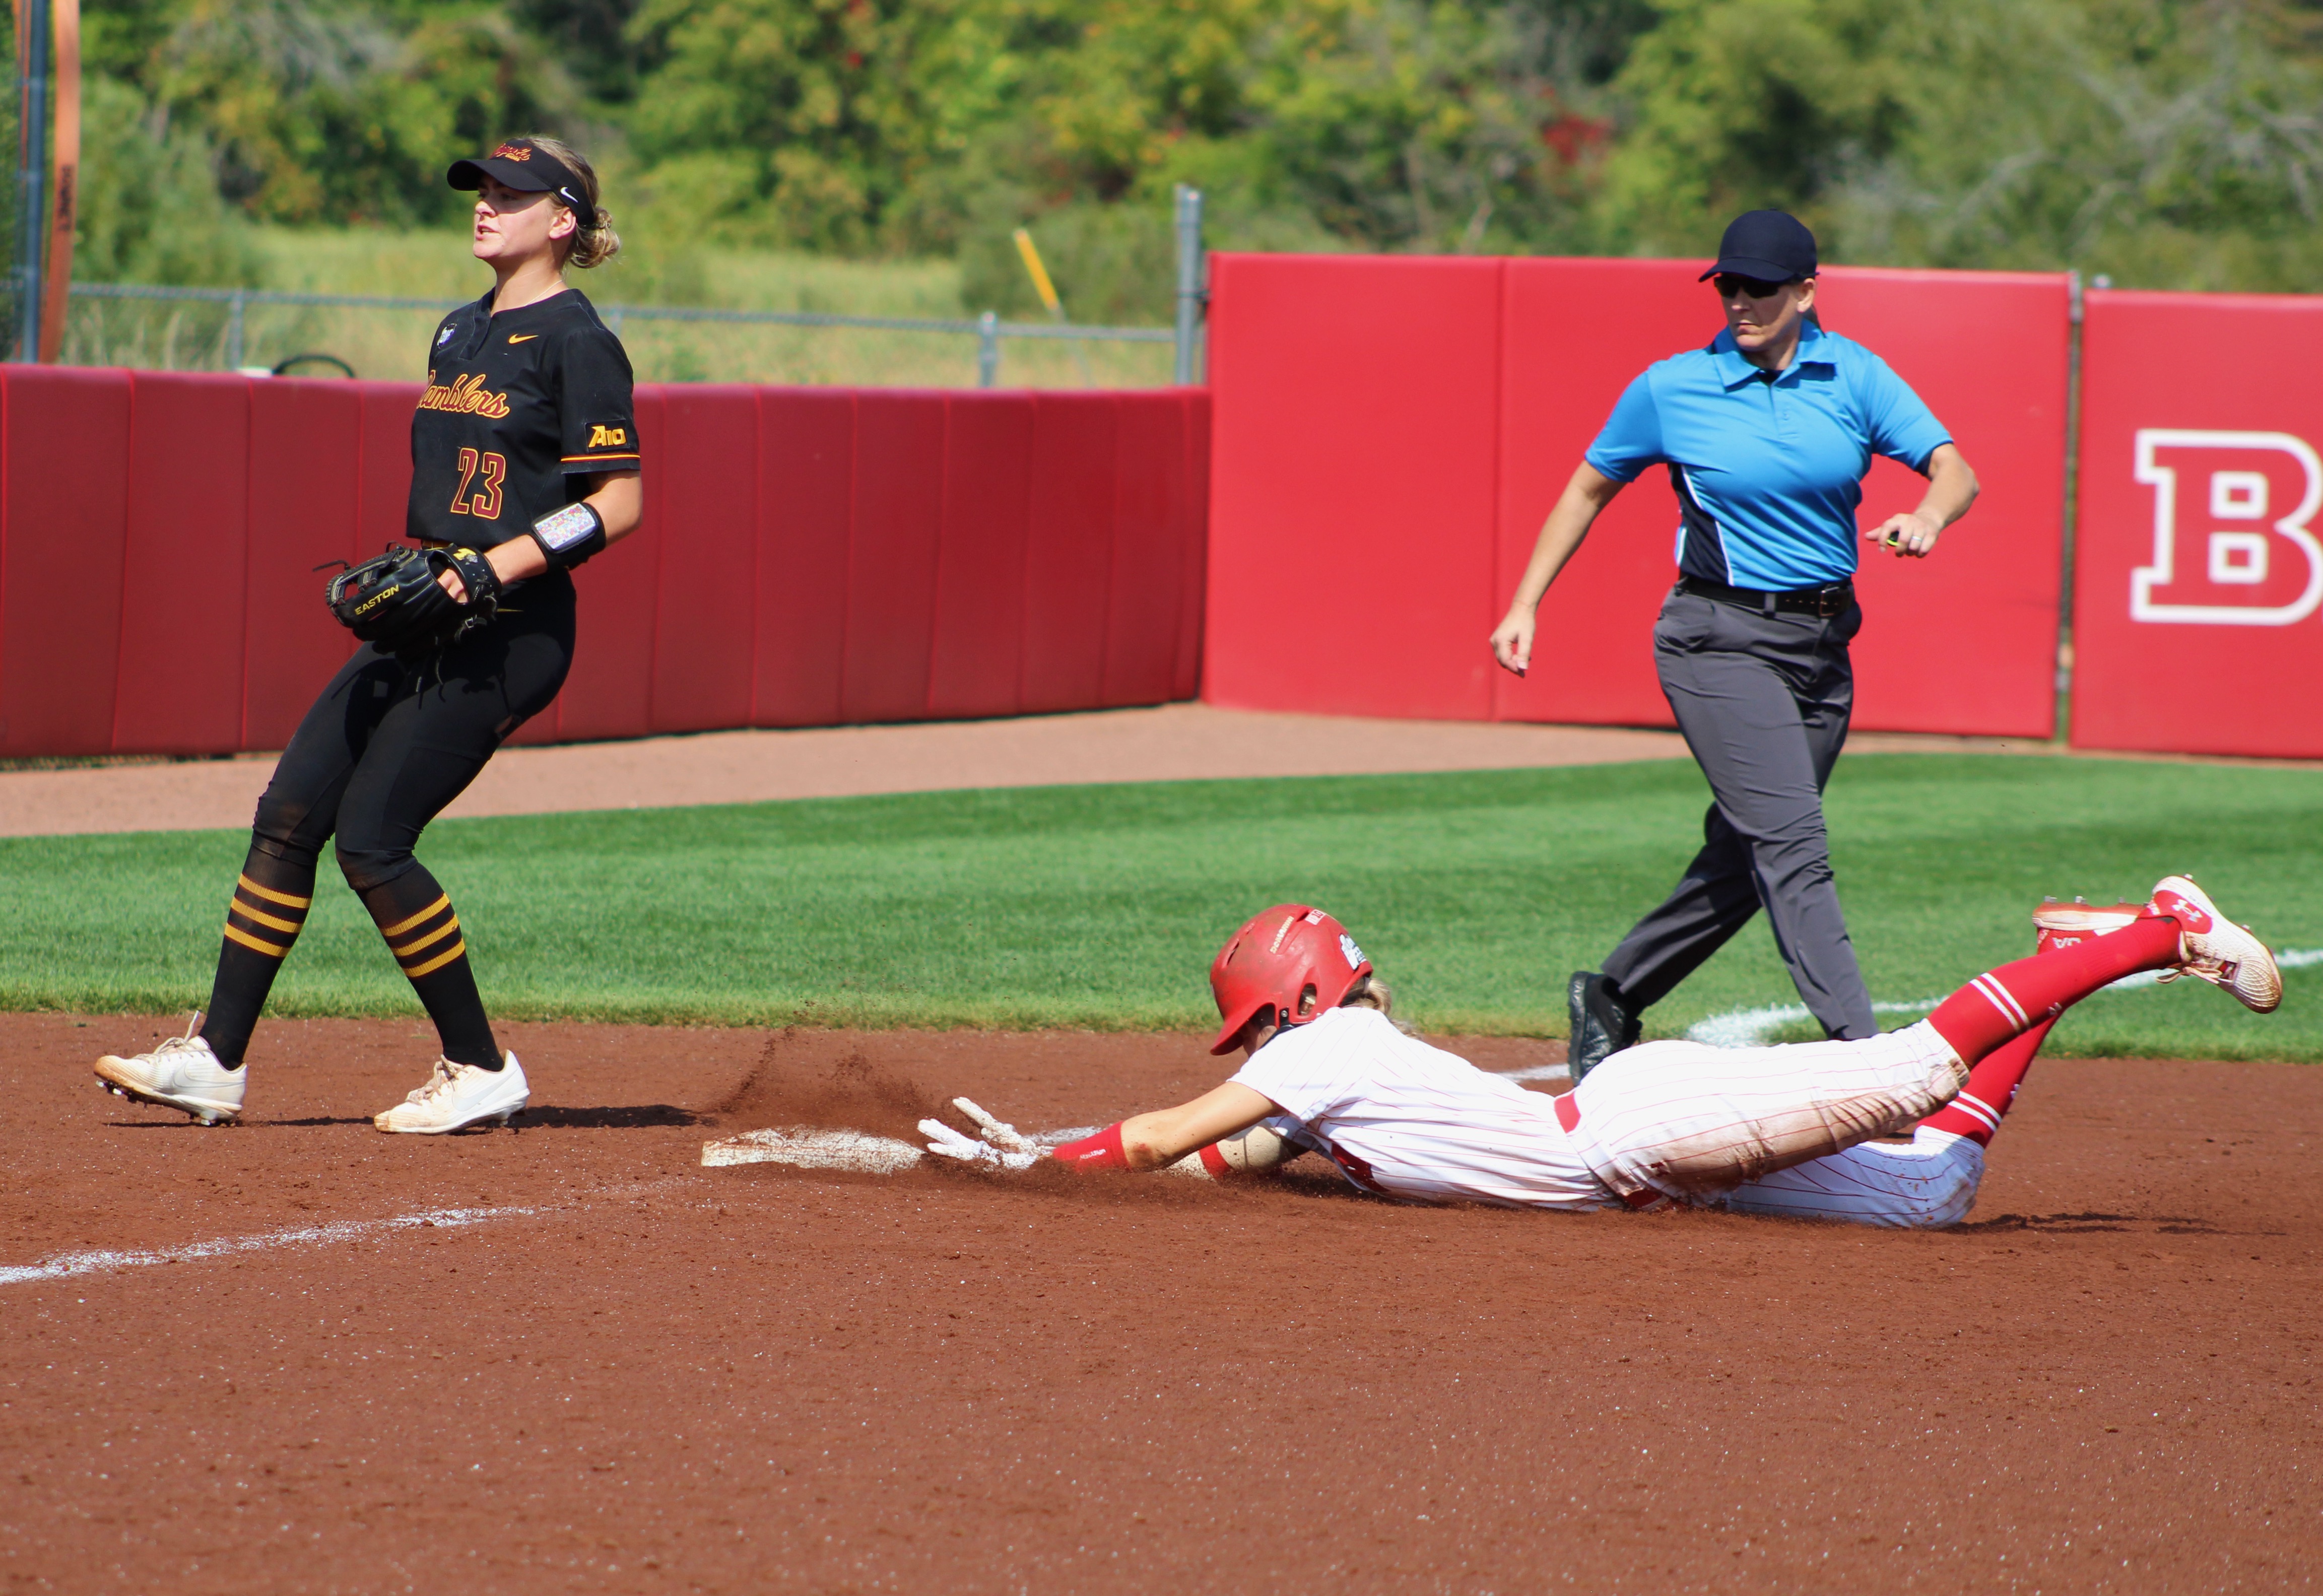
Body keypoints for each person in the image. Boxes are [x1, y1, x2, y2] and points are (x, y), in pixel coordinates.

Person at [94, 138, 644, 1134]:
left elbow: (617, 502)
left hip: (508, 630)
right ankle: (213, 1060)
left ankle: (480, 1066)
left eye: (511, 194)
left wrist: (492, 565)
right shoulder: (457, 331)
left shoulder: (576, 341)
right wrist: (437, 567)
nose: (486, 205)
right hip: (426, 612)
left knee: (375, 840)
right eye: (481, 189)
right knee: (288, 815)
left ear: (561, 221)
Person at [920, 881, 2281, 1228]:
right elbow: (1224, 1159)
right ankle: (2067, 946)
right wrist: (1161, 1170)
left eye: (1261, 1019)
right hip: (1649, 1155)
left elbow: (1164, 1137)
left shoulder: (1325, 1045)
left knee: (1915, 1071)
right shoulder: (1323, 1082)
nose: (1259, 1044)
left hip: (1640, 1129)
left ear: (1298, 997)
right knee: (1925, 1192)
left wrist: (1031, 1161)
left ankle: (2154, 936)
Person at [1487, 209, 1981, 1080]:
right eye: (1727, 286)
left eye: (1759, 287)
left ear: (1806, 292)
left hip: (1824, 648)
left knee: (1747, 852)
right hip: (1716, 638)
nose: (1740, 302)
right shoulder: (1674, 387)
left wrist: (1929, 516)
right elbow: (1586, 489)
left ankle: (1613, 993)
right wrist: (1526, 602)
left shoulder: (1855, 374)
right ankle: (1864, 1058)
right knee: (1793, 843)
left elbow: (1955, 469)